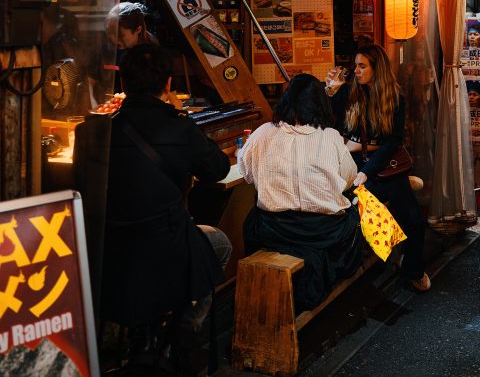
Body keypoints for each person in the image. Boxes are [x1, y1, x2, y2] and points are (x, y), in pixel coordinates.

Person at [100, 45, 231, 373]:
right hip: (168, 246)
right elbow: (217, 169)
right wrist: (180, 117)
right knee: (219, 246)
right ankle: (180, 332)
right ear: (169, 84)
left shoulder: (96, 130)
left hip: (112, 251)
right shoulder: (179, 127)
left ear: (123, 84)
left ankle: (143, 334)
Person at [239, 74, 363, 311]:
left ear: (287, 100)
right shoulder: (330, 137)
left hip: (274, 230)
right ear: (320, 103)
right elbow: (348, 179)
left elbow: (247, 173)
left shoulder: (263, 133)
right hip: (323, 231)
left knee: (251, 218)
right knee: (353, 214)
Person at [331, 44, 430, 292]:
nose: (357, 71)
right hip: (351, 167)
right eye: (356, 65)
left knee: (415, 220)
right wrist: (330, 93)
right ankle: (382, 259)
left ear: (378, 68)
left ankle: (413, 270)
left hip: (383, 166)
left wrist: (368, 168)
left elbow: (393, 142)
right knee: (369, 214)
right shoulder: (348, 93)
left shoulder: (394, 98)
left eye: (362, 66)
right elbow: (330, 126)